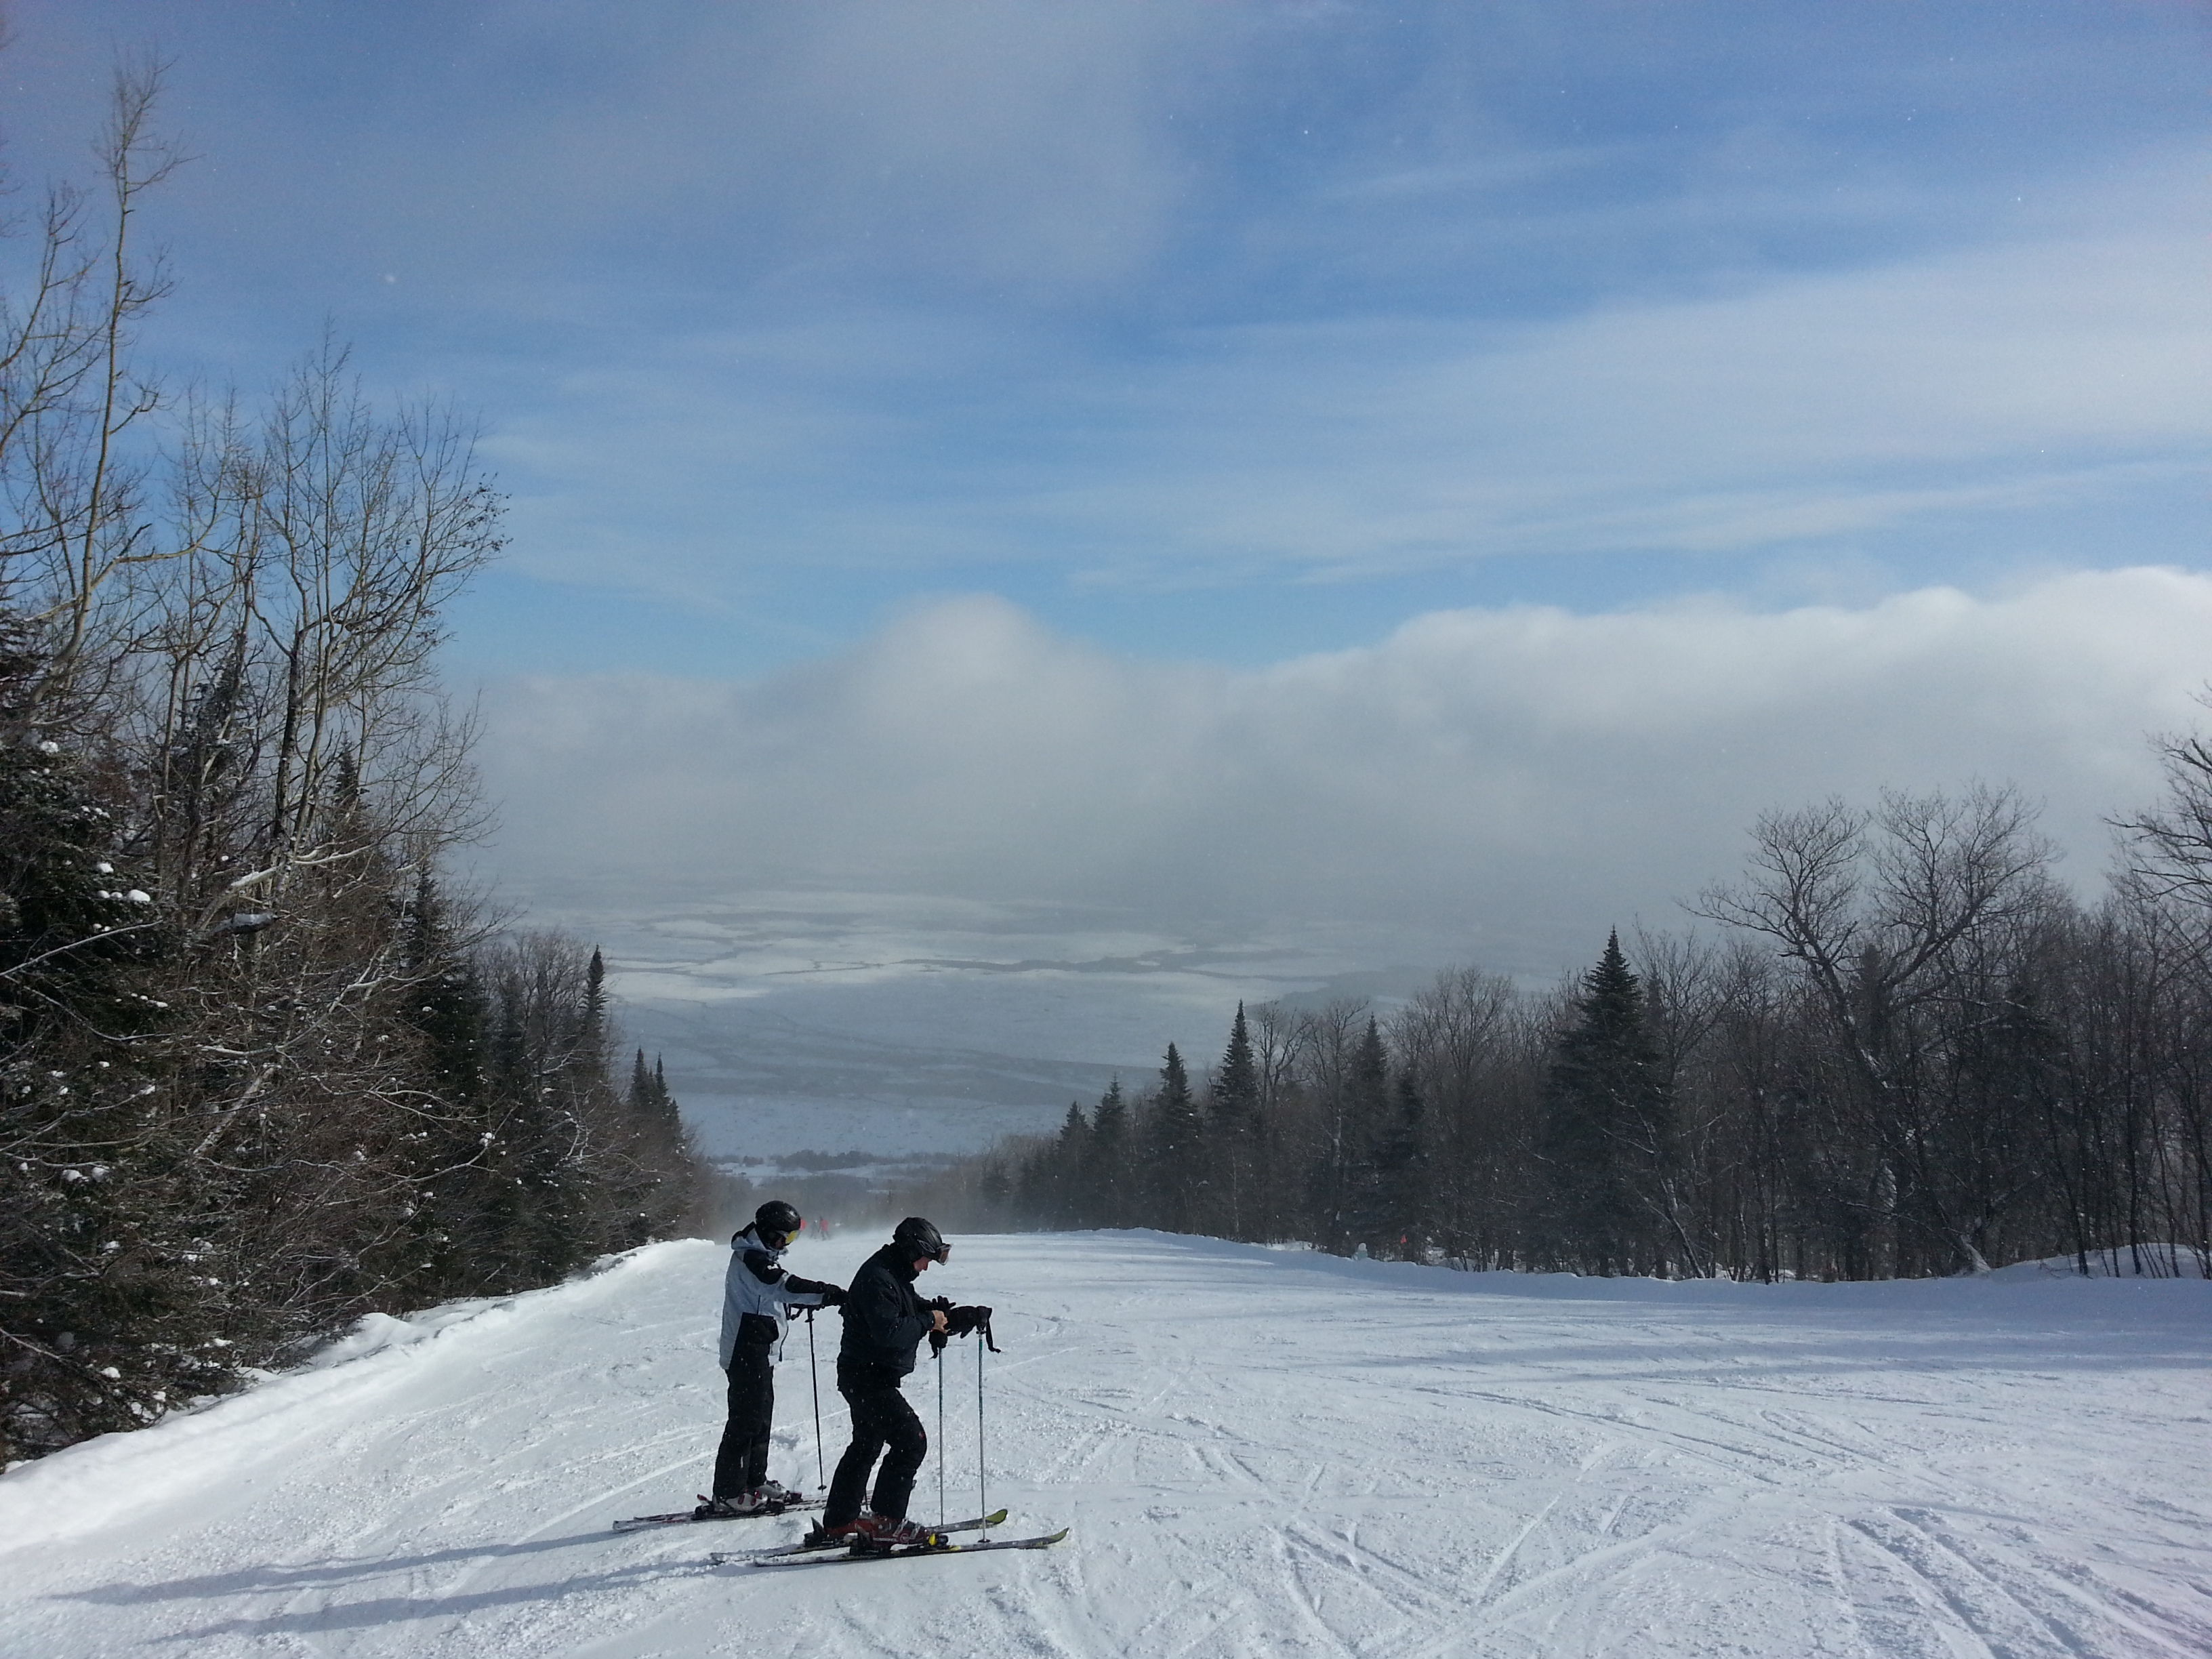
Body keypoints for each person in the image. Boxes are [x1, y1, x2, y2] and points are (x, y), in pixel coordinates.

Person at [814, 1216, 964, 1547]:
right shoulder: (878, 1278)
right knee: (911, 1441)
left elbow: (907, 1306)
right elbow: (890, 1333)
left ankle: (841, 1520)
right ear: (913, 1250)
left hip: (866, 1374)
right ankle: (886, 1522)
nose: (926, 1268)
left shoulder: (891, 1272)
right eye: (927, 1259)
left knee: (866, 1444)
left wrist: (951, 1315)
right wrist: (928, 1320)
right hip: (867, 1377)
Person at [696, 1200, 845, 1518]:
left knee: (761, 1417)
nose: (785, 1245)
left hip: (761, 1347)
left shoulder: (761, 1254)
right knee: (745, 1420)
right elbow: (783, 1286)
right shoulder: (752, 1258)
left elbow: (771, 1295)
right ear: (766, 1233)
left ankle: (753, 1480)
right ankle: (728, 1492)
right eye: (783, 1238)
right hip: (744, 1349)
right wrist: (828, 1294)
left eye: (791, 1239)